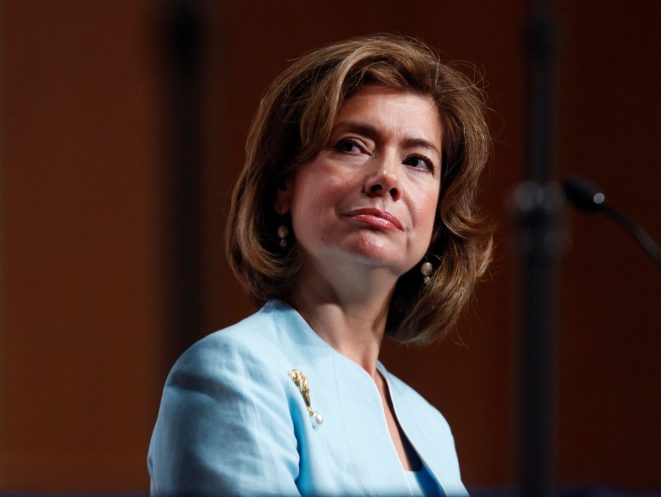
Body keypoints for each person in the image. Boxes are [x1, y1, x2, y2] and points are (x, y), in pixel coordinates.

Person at [148, 34, 493, 496]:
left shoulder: (430, 427)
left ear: (436, 219)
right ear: (283, 186)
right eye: (352, 145)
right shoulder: (233, 373)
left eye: (417, 161)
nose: (387, 178)